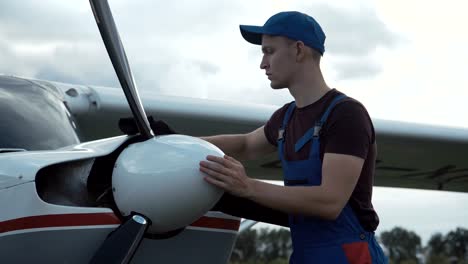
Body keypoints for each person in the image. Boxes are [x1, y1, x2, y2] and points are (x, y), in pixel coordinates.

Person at [199, 11, 388, 263]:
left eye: (269, 51)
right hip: (305, 254)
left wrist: (247, 186)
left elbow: (330, 202)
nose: (263, 63)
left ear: (298, 50)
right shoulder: (286, 118)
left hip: (349, 255)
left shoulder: (346, 114)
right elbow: (245, 144)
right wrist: (176, 143)